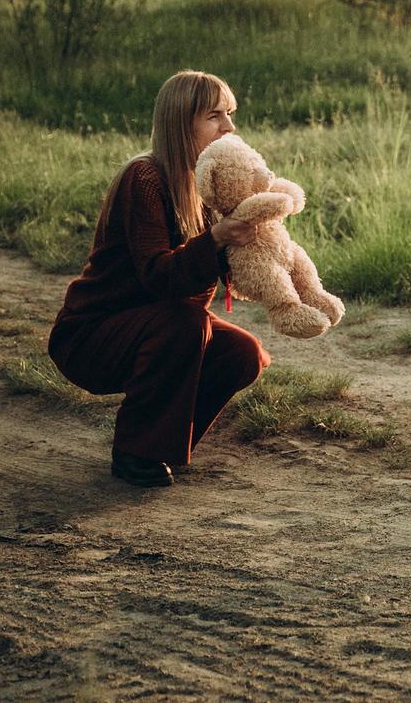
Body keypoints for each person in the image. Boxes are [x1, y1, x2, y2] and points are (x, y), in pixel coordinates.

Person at [48, 70, 270, 488]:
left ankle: (163, 442)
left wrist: (261, 238)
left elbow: (224, 273)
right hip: (90, 336)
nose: (229, 126)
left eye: (230, 114)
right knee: (188, 322)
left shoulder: (205, 182)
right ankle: (136, 451)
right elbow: (158, 278)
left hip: (156, 329)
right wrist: (216, 238)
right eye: (215, 115)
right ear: (181, 123)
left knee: (243, 352)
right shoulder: (145, 178)